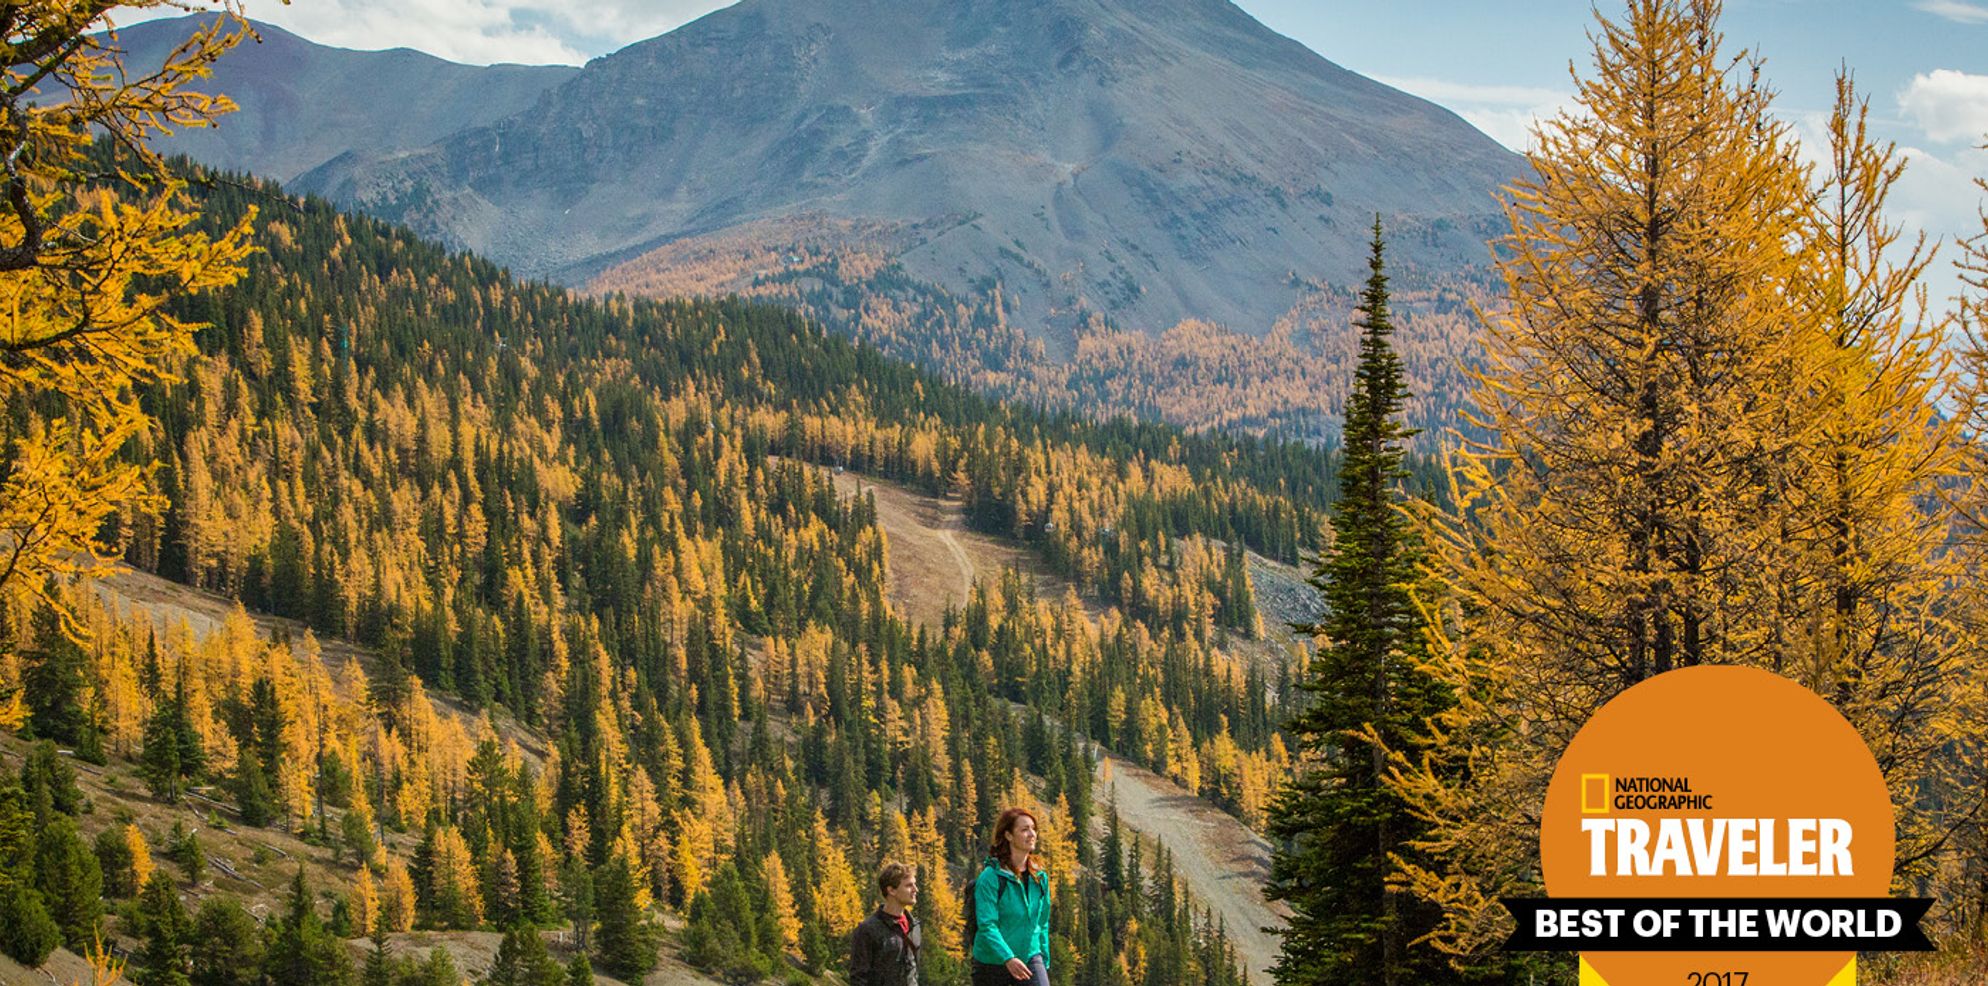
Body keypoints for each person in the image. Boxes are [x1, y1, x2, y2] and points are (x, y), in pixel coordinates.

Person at [971, 807, 1051, 986]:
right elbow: (987, 925)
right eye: (1024, 829)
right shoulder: (990, 877)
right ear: (1008, 835)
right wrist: (1008, 957)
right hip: (991, 963)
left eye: (1033, 829)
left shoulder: (1040, 878)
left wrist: (1044, 960)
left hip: (1029, 956)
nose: (1032, 834)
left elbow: (1042, 922)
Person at [851, 861, 922, 986]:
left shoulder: (914, 926)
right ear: (891, 890)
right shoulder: (868, 930)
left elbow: (913, 972)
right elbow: (858, 979)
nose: (915, 889)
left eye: (914, 884)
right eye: (909, 885)